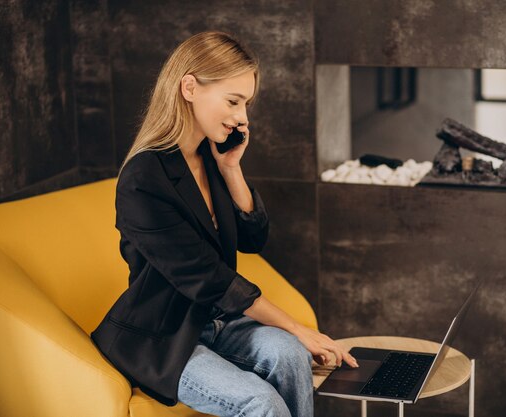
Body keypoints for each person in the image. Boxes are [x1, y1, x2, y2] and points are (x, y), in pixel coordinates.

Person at [91, 31, 358, 417]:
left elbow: (253, 237)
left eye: (246, 103)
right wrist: (298, 328)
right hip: (165, 336)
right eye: (233, 101)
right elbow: (207, 277)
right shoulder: (143, 178)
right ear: (189, 87)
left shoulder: (210, 158)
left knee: (290, 357)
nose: (242, 117)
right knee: (260, 401)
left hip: (217, 323)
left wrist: (231, 169)